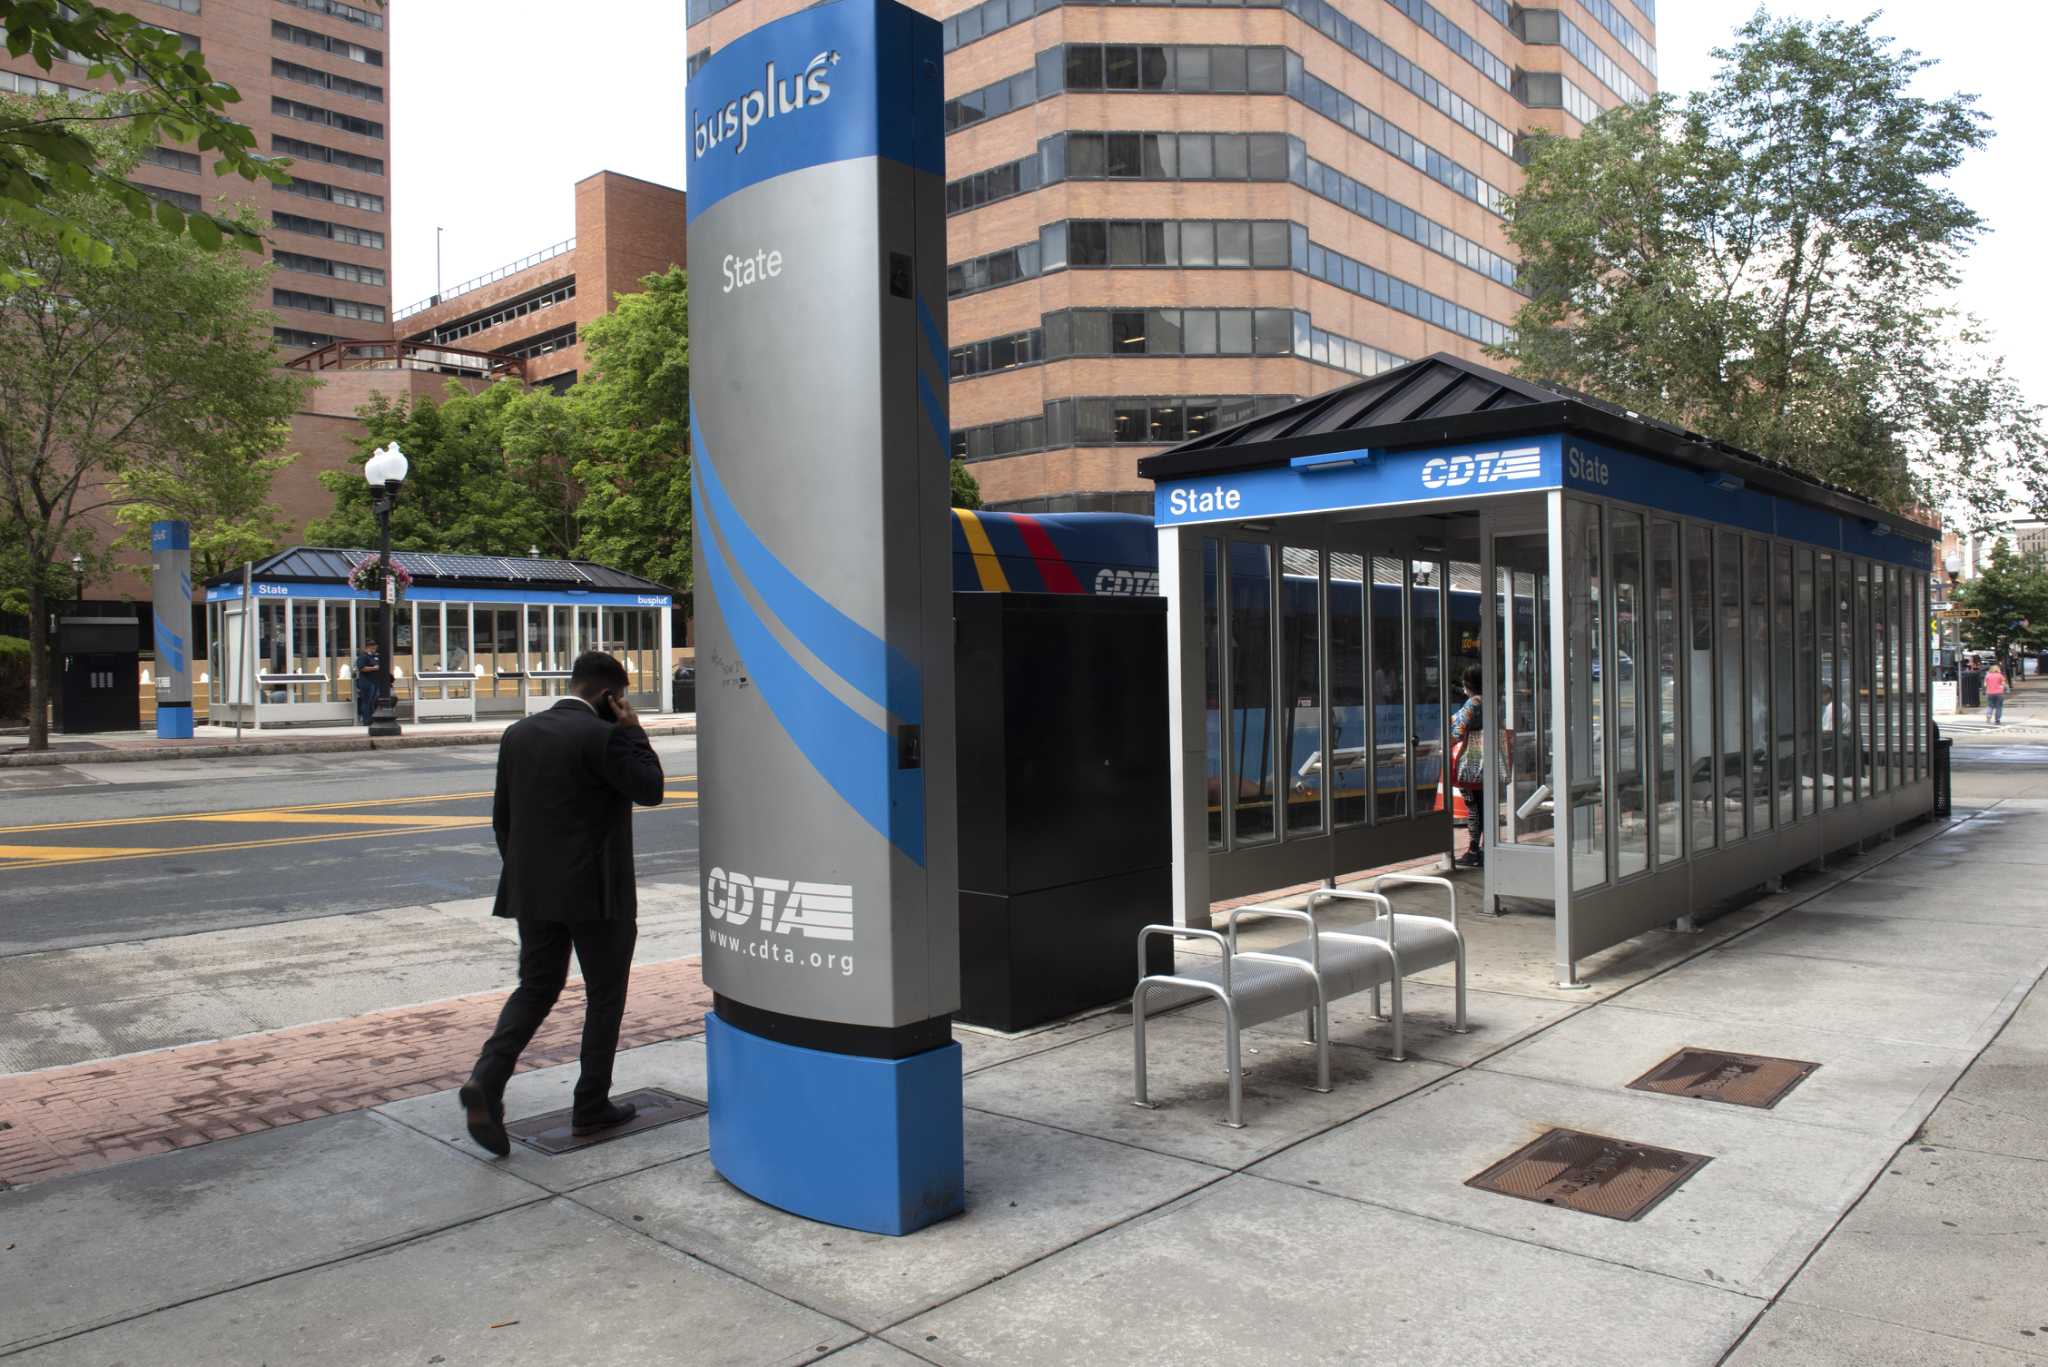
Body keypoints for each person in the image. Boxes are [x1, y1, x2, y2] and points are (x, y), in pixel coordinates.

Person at [460, 650, 665, 1156]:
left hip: (533, 890)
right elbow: (651, 789)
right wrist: (634, 731)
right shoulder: (605, 736)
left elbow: (503, 819)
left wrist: (528, 877)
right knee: (605, 995)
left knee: (536, 987)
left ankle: (487, 1077)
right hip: (599, 894)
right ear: (609, 696)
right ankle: (590, 1104)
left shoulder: (519, 733)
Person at [1448, 664, 1485, 867]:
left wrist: (1446, 744)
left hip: (1471, 760)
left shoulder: (1473, 703)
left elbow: (1459, 731)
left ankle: (1473, 850)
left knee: (1473, 805)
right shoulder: (1491, 700)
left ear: (1468, 684)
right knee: (1484, 803)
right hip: (1487, 757)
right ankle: (1487, 847)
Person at [353, 641, 382, 726]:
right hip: (367, 682)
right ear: (369, 647)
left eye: (375, 648)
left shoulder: (374, 656)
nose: (375, 649)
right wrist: (374, 668)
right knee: (366, 701)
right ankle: (366, 720)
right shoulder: (363, 656)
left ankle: (372, 719)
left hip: (375, 681)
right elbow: (361, 668)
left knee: (373, 701)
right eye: (373, 648)